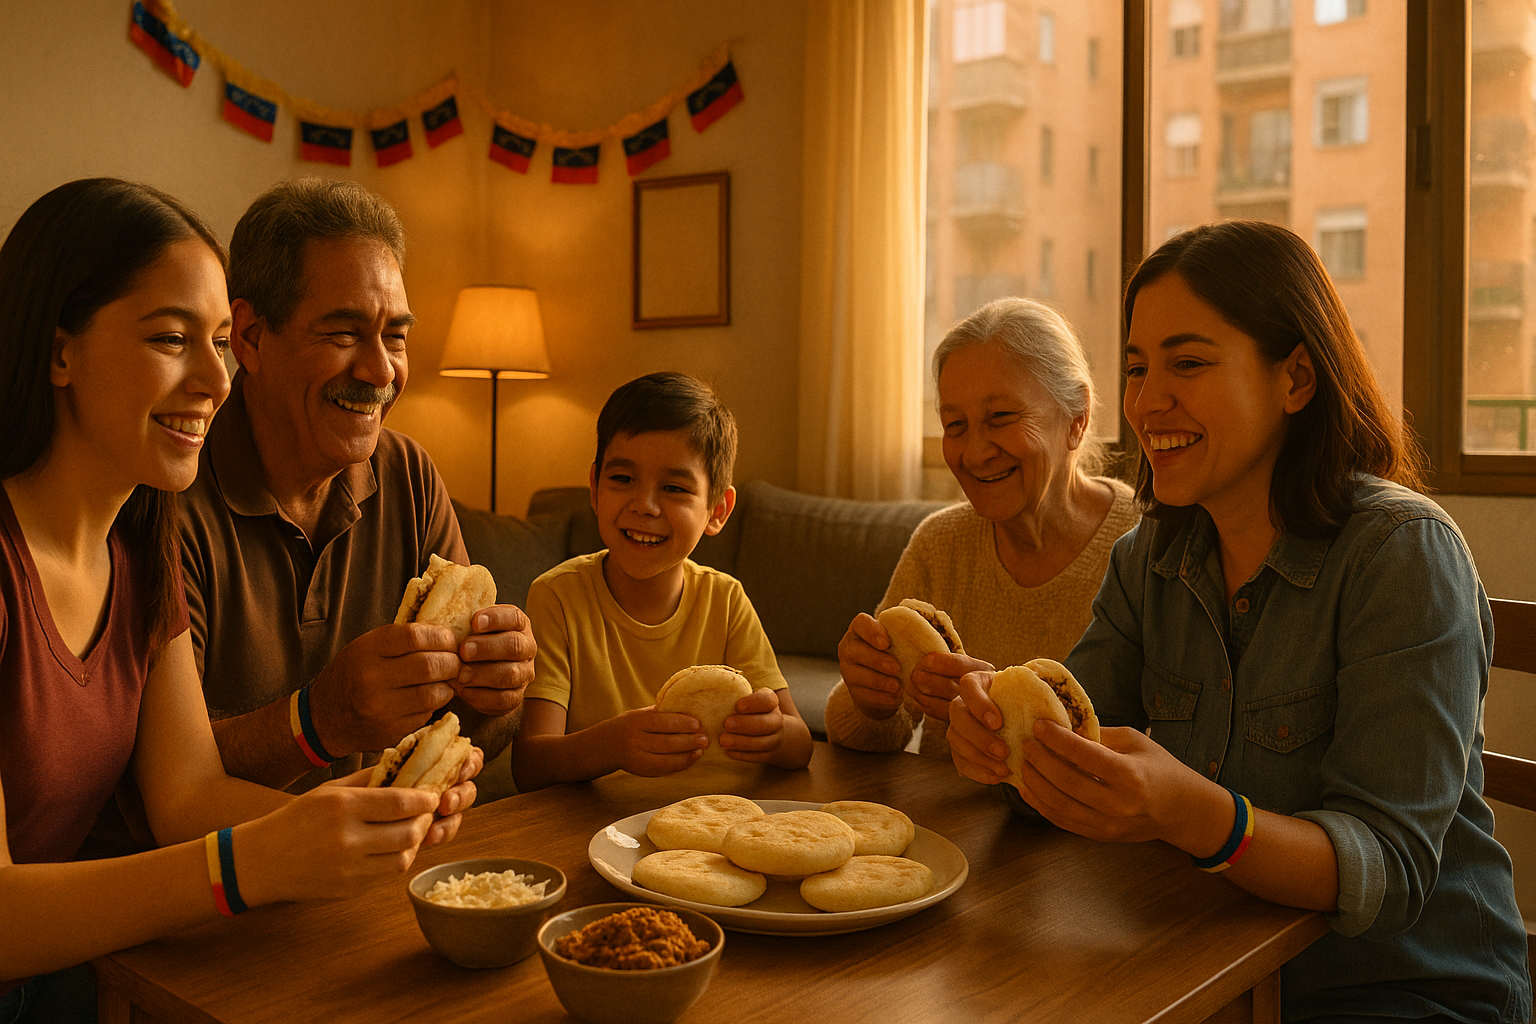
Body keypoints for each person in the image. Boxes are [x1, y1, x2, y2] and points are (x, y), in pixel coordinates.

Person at [949, 221, 1531, 1022]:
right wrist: (1005, 750)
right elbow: (1081, 748)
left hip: (1400, 992)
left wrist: (1190, 812)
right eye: (1136, 367)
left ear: (1295, 378)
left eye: (1187, 363)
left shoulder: (1401, 556)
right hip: (1200, 970)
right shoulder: (1150, 556)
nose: (1150, 400)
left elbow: (1388, 869)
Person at [0, 178, 479, 1024]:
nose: (214, 378)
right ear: (57, 350)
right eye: (171, 339)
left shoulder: (138, 549)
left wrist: (361, 824)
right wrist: (243, 865)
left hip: (86, 977)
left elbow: (187, 794)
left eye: (218, 342)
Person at [178, 178, 535, 794]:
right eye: (343, 333)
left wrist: (496, 694)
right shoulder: (171, 490)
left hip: (387, 862)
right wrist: (321, 721)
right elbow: (165, 781)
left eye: (395, 335)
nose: (380, 370)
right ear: (251, 337)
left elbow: (471, 730)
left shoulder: (410, 477)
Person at [825, 298, 1138, 758]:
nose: (974, 453)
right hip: (951, 823)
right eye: (955, 424)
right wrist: (871, 700)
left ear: (1077, 418)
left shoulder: (1148, 545)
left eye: (1001, 418)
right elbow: (878, 734)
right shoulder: (940, 545)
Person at [511, 372, 813, 791]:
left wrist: (773, 734)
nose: (644, 505)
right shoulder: (558, 596)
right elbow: (529, 765)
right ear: (595, 488)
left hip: (722, 821)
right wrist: (613, 745)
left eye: (673, 487)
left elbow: (801, 747)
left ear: (718, 511)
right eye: (622, 479)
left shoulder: (725, 599)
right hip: (601, 828)